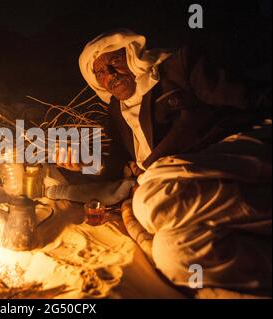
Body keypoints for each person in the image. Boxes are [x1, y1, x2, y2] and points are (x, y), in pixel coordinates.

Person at [55, 29, 271, 294]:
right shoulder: (116, 110)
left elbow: (250, 99)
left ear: (132, 56)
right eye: (100, 72)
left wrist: (150, 165)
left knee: (149, 196)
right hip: (176, 183)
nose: (109, 75)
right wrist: (84, 162)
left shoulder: (179, 68)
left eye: (115, 62)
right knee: (171, 251)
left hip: (232, 153)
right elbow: (115, 162)